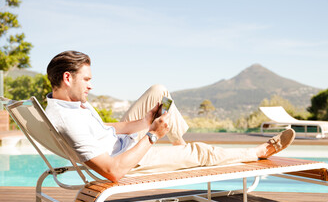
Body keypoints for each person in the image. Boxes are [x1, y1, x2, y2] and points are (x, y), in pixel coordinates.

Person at [45, 50, 296, 182]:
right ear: (68, 78)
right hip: (129, 159)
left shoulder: (66, 105)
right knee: (202, 152)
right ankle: (257, 152)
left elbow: (103, 128)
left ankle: (178, 146)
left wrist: (144, 123)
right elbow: (113, 171)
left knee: (159, 91)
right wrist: (152, 136)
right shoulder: (69, 120)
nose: (91, 86)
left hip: (121, 141)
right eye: (87, 80)